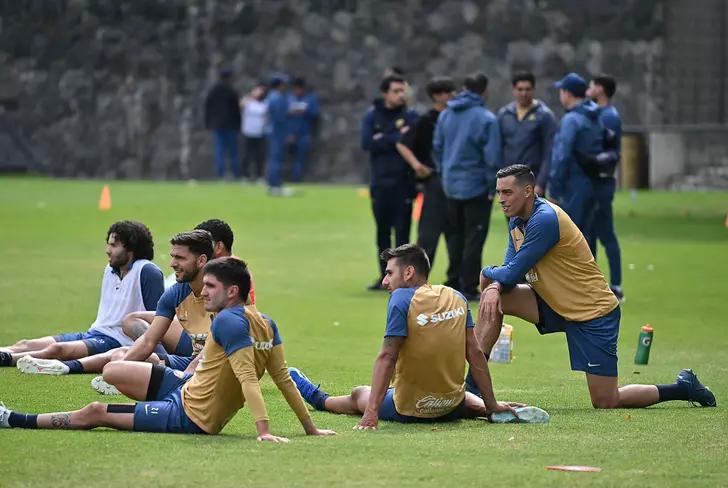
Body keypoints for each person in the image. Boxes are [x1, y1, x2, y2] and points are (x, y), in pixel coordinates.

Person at [0, 257, 337, 441]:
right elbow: (282, 378)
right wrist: (310, 427)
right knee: (114, 368)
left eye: (210, 286)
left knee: (96, 411)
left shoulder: (227, 323)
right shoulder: (266, 321)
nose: (202, 292)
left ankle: (13, 419)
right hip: (184, 388)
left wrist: (263, 431)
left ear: (232, 291)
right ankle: (78, 370)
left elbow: (252, 379)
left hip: (186, 416)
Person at [476, 164, 716, 409]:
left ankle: (683, 387)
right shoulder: (516, 221)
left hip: (593, 312)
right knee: (495, 297)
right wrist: (494, 286)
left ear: (528, 191)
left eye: (507, 193)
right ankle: (473, 384)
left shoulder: (545, 219)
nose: (501, 200)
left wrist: (487, 274)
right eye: (498, 193)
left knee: (606, 401)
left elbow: (512, 272)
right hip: (554, 302)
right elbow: (509, 271)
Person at [288, 244, 540, 429]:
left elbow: (387, 356)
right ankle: (490, 407)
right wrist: (493, 403)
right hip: (450, 408)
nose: (386, 281)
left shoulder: (401, 299)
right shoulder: (457, 296)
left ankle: (318, 398)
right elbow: (475, 355)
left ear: (408, 273)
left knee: (358, 394)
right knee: (458, 394)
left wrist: (371, 414)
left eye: (389, 273)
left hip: (410, 410)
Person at [1, 221, 164, 369]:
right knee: (26, 343)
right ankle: (9, 352)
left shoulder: (147, 272)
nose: (107, 250)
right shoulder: (110, 269)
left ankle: (8, 359)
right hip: (94, 332)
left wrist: (158, 355)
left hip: (118, 341)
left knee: (57, 349)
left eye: (114, 246)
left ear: (130, 248)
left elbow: (158, 320)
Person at [432, 72, 502, 299]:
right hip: (477, 187)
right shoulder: (486, 119)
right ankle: (468, 284)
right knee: (474, 236)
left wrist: (445, 175)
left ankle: (453, 278)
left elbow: (438, 148)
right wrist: (493, 186)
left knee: (454, 235)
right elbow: (492, 158)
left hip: (451, 186)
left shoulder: (446, 115)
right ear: (485, 90)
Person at [396, 76, 457, 280]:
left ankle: (455, 278)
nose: (451, 96)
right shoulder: (426, 120)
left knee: (456, 234)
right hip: (434, 181)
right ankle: (418, 279)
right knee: (428, 236)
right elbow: (402, 143)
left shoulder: (457, 117)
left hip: (455, 181)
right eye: (447, 92)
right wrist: (417, 166)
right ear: (436, 96)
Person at [361, 75, 419, 290]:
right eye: (396, 91)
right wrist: (395, 136)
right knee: (382, 233)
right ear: (385, 93)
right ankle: (384, 276)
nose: (400, 95)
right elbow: (367, 143)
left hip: (404, 183)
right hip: (380, 184)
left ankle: (403, 278)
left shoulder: (411, 116)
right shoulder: (372, 115)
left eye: (402, 90)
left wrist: (382, 137)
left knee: (403, 233)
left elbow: (413, 141)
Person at [548, 72, 603, 238]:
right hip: (592, 183)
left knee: (569, 240)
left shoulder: (571, 120)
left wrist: (555, 190)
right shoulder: (595, 118)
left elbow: (562, 156)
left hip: (572, 186)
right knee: (587, 240)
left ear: (567, 93)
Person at [586, 74, 624, 302]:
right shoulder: (595, 112)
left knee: (606, 233)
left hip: (602, 183)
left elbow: (612, 151)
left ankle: (616, 285)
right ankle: (592, 284)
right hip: (592, 182)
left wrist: (592, 160)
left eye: (591, 85)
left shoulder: (609, 116)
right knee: (588, 234)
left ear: (599, 89)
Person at [497, 71, 557, 197]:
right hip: (509, 182)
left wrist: (541, 184)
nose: (523, 93)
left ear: (534, 90)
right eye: (520, 89)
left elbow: (549, 152)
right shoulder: (504, 115)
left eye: (527, 89)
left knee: (533, 217)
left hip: (532, 182)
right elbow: (498, 149)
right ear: (513, 90)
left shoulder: (545, 116)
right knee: (512, 217)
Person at [204, 68, 242, 180]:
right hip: (231, 125)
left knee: (219, 151)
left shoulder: (214, 91)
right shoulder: (232, 91)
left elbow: (208, 107)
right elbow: (236, 110)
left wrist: (208, 123)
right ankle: (236, 174)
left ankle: (220, 175)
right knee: (233, 152)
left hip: (218, 125)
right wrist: (239, 124)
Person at [286, 77, 320, 182]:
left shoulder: (310, 99)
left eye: (299, 89)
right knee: (286, 159)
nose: (298, 91)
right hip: (289, 134)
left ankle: (295, 180)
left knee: (300, 159)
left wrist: (305, 110)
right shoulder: (289, 98)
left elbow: (315, 114)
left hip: (304, 134)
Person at [266, 73, 294, 196]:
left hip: (274, 130)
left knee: (275, 158)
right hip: (277, 131)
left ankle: (274, 184)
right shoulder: (277, 98)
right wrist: (287, 133)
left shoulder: (273, 97)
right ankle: (275, 185)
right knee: (276, 158)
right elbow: (280, 117)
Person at [240, 83, 268, 182]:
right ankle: (245, 176)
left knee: (260, 156)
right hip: (248, 132)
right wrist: (252, 95)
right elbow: (241, 104)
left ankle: (259, 176)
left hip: (260, 133)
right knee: (247, 155)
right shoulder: (248, 102)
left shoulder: (264, 104)